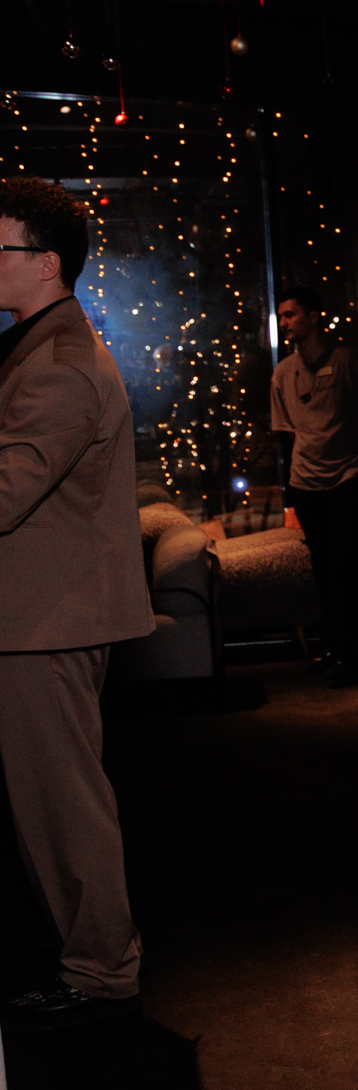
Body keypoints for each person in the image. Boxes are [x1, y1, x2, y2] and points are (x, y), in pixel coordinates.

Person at [0, 176, 153, 1031]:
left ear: (46, 263)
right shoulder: (39, 348)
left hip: (42, 623)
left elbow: (6, 494)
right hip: (37, 615)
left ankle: (99, 970)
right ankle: (94, 961)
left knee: (61, 807)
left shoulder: (59, 364)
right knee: (53, 803)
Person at [270, 286, 358, 684]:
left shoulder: (347, 362)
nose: (284, 322)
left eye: (290, 314)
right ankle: (334, 650)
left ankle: (348, 657)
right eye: (281, 316)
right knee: (323, 569)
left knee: (344, 569)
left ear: (314, 316)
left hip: (349, 480)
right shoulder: (283, 373)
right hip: (307, 483)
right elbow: (287, 431)